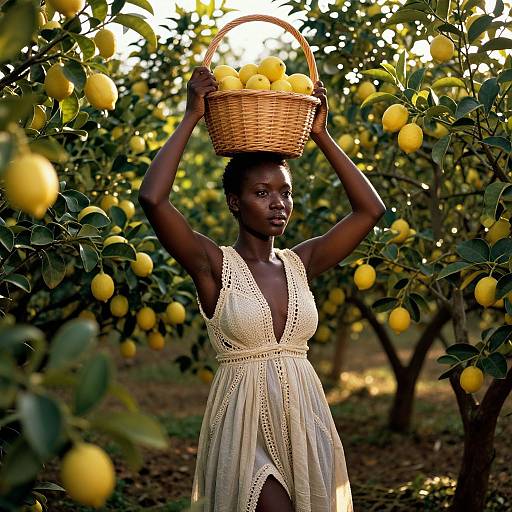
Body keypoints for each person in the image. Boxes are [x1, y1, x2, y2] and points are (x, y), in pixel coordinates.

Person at [138, 65, 386, 512]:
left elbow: (369, 210)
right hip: (243, 425)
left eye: (285, 192)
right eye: (262, 192)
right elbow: (153, 200)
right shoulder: (213, 265)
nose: (278, 203)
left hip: (305, 419)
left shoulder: (300, 262)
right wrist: (192, 116)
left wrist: (322, 136)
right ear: (236, 202)